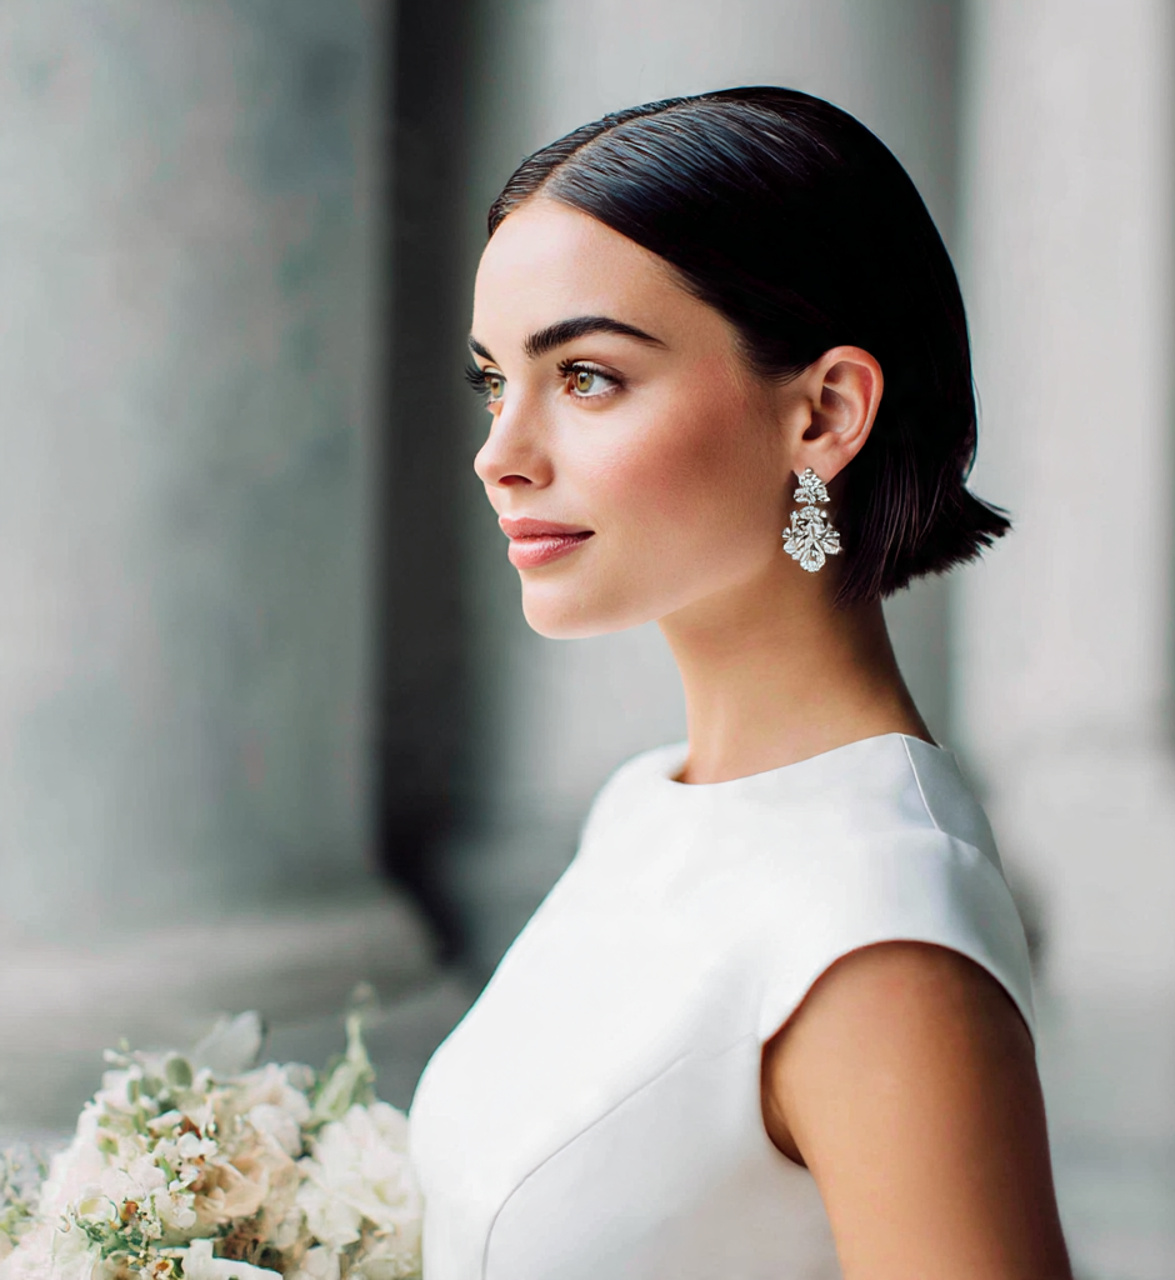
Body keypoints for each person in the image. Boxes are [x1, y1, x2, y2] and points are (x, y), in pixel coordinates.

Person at [408, 86, 1072, 1279]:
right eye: (491, 380)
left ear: (822, 413)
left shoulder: (875, 938)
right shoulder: (649, 801)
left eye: (588, 377)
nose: (498, 453)